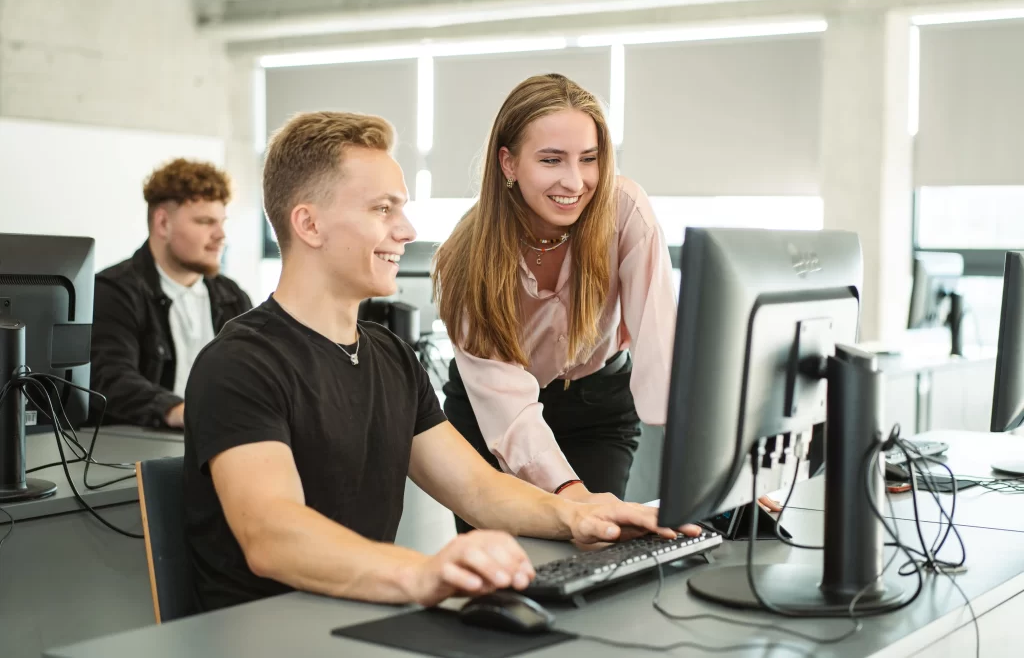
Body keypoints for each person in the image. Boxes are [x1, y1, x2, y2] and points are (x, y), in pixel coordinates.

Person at [181, 110, 700, 613]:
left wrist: (584, 515)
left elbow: (477, 489)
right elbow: (274, 537)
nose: (406, 231)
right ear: (309, 224)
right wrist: (422, 574)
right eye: (382, 209)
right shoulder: (241, 364)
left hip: (361, 619)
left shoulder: (389, 358)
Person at [433, 74, 779, 532]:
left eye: (589, 159)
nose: (574, 181)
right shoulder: (468, 255)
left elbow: (661, 351)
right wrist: (568, 496)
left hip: (597, 406)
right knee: (505, 565)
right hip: (491, 416)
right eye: (551, 160)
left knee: (596, 543)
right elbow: (509, 410)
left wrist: (722, 470)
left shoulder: (623, 211)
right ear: (509, 163)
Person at [90, 158, 252, 429]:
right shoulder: (113, 292)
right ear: (163, 223)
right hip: (138, 449)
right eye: (205, 221)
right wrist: (177, 410)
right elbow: (110, 378)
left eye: (222, 222)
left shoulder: (232, 297)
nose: (221, 234)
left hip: (217, 440)